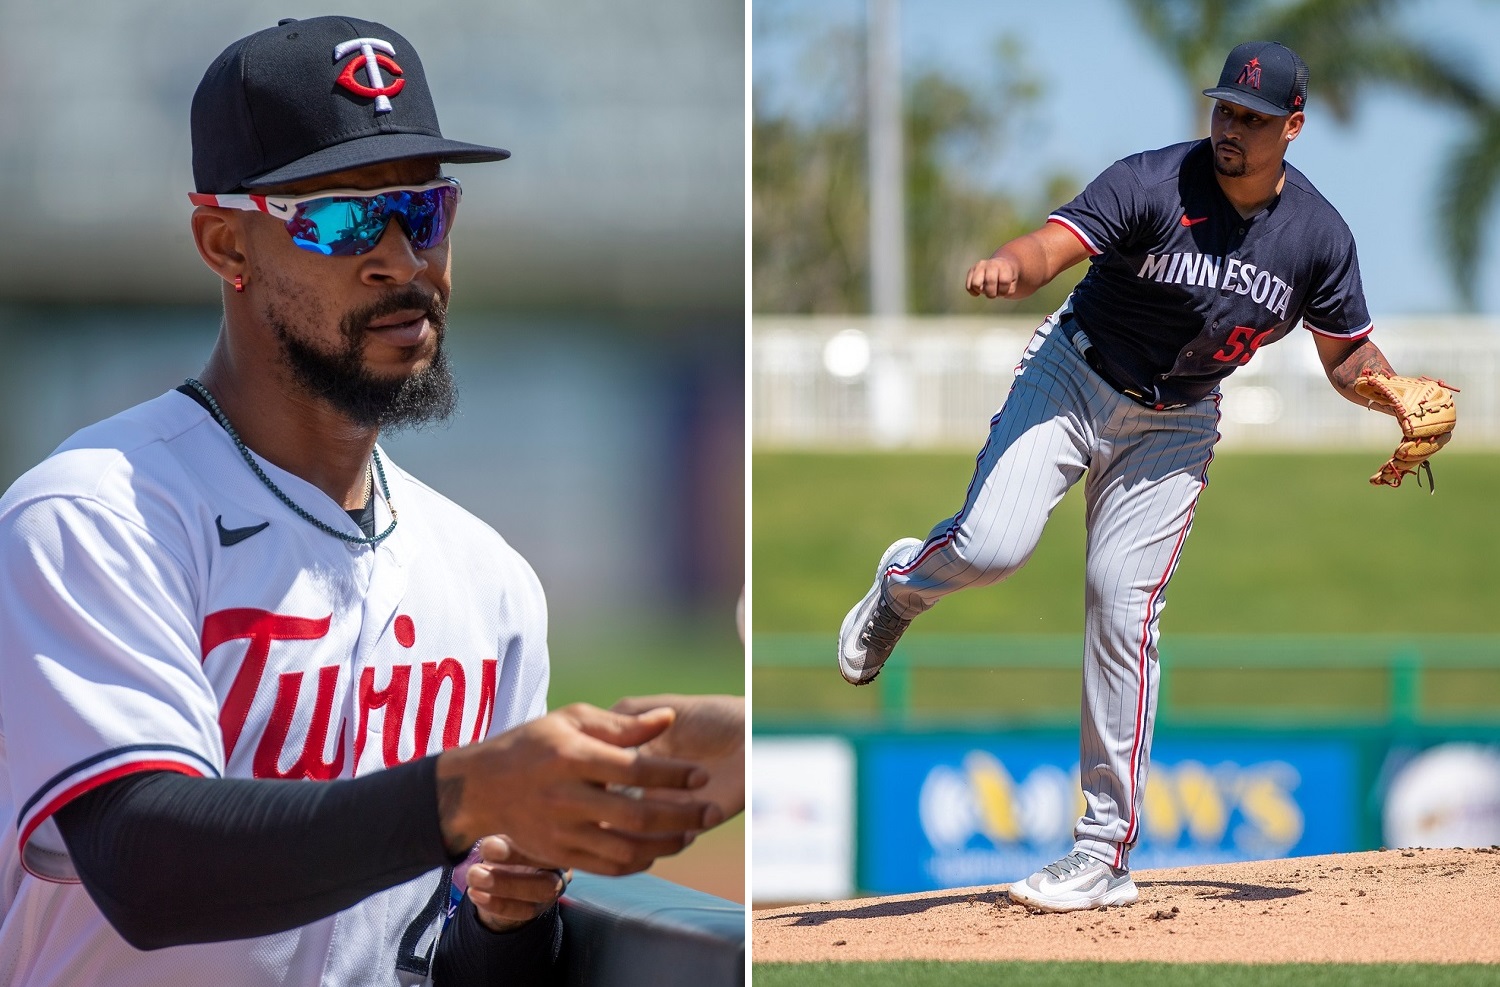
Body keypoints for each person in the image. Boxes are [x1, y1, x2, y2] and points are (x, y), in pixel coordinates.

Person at [0, 16, 733, 986]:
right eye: (343, 217)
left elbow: (455, 964)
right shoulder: (96, 517)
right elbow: (147, 868)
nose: (401, 260)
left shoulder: (490, 582)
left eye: (422, 213)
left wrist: (523, 890)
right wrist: (467, 793)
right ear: (227, 243)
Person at [837, 41, 1443, 913]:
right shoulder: (1154, 183)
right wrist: (1017, 264)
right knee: (991, 546)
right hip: (1073, 373)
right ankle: (901, 587)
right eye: (1225, 109)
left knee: (1124, 604)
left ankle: (1100, 853)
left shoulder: (1316, 236)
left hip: (1179, 421)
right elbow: (1053, 243)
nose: (1231, 127)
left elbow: (1345, 354)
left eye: (1254, 118)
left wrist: (1392, 393)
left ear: (1294, 128)